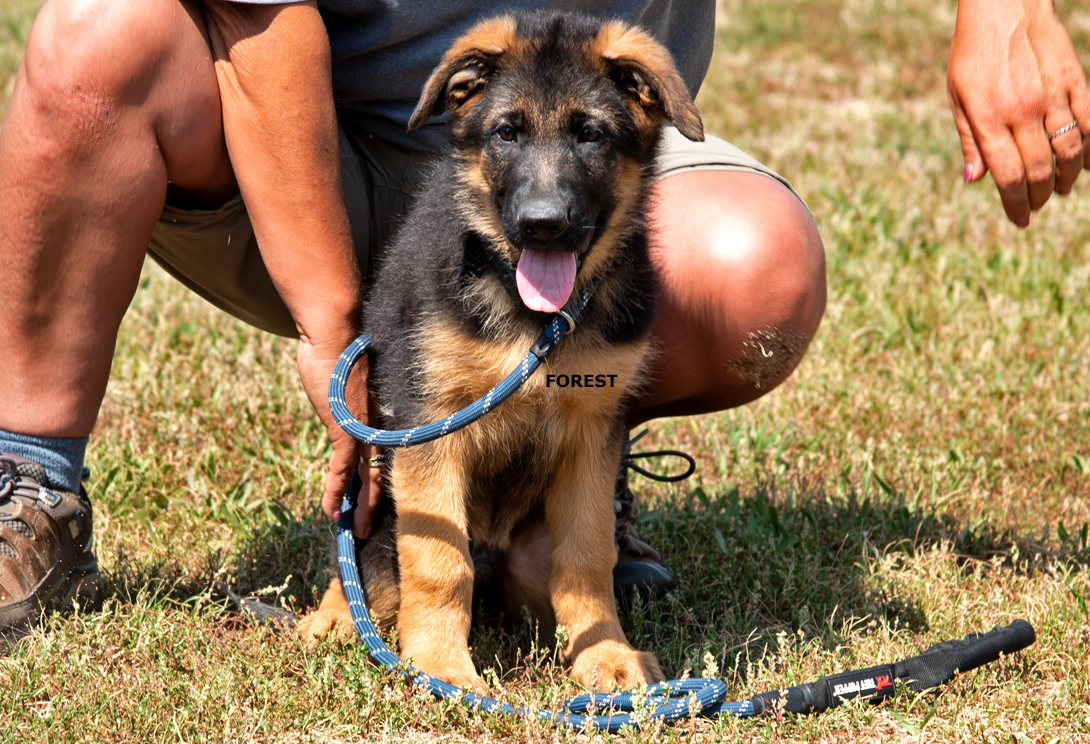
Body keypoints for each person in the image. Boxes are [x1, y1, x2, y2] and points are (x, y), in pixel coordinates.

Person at [0, 0, 1085, 633]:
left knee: (753, 272)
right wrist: (336, 330)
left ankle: (562, 469)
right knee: (97, 36)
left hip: (585, 188)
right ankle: (32, 477)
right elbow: (252, 12)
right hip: (317, 153)